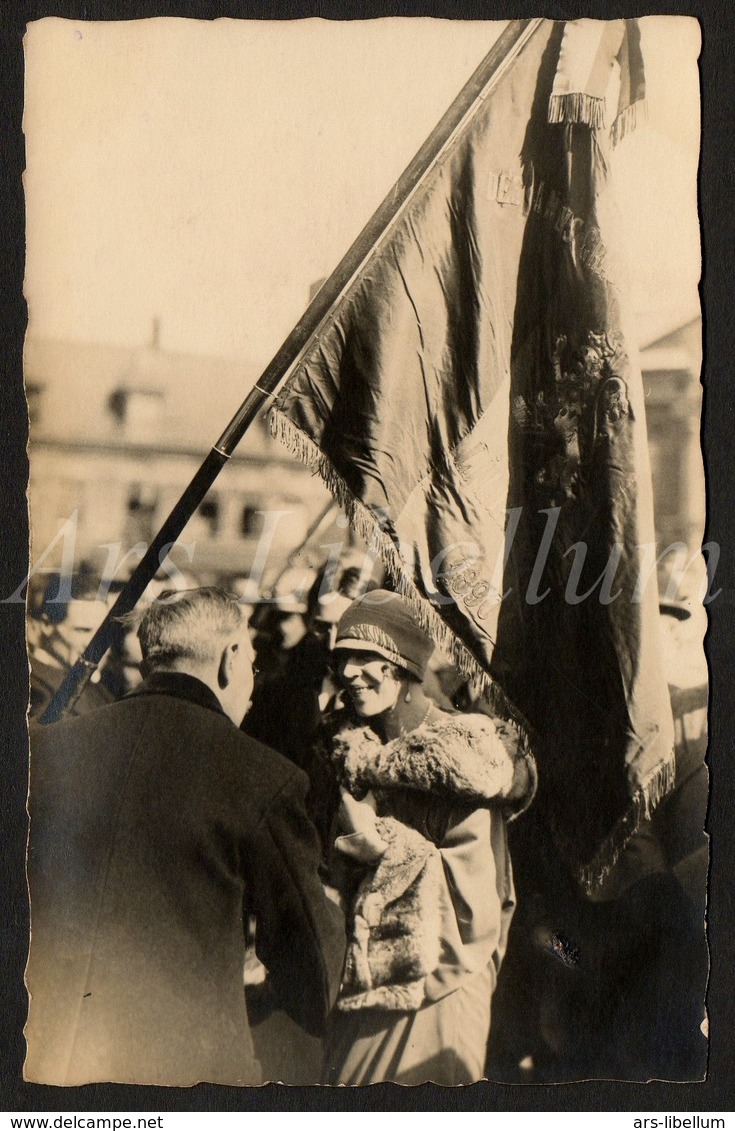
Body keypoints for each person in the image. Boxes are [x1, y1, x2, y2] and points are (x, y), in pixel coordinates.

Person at [24, 587, 346, 1087]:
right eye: (252, 666)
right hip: (187, 1074)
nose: (253, 686)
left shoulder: (44, 753)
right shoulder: (261, 778)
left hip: (47, 1059)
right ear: (229, 659)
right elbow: (317, 981)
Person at [316, 589, 536, 1086]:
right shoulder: (356, 751)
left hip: (440, 984)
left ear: (406, 664)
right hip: (364, 983)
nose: (348, 671)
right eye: (342, 657)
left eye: (367, 656)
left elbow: (477, 903)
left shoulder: (462, 757)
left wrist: (384, 848)